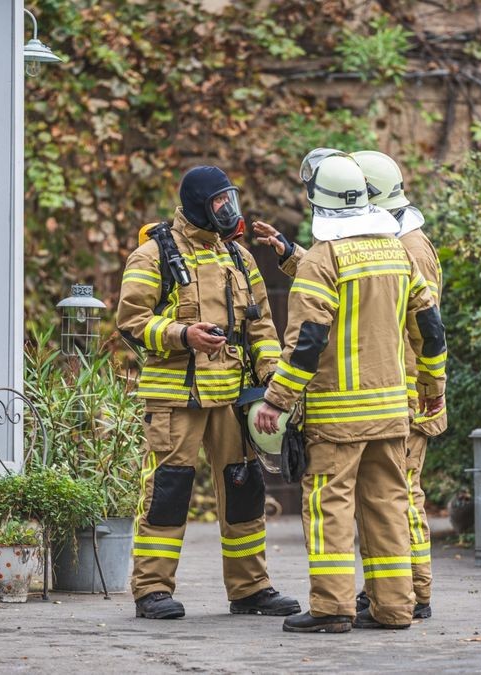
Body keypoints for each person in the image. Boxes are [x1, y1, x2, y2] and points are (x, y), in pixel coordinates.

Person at [252, 152, 447, 633]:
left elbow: (307, 344)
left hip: (338, 418)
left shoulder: (324, 259)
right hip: (392, 414)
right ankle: (396, 608)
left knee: (329, 508)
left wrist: (276, 402)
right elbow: (431, 328)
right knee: (387, 508)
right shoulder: (396, 250)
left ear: (318, 202)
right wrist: (433, 387)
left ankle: (332, 608)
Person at [118, 165, 300, 620]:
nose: (228, 210)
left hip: (232, 397)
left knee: (244, 493)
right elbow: (131, 322)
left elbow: (262, 328)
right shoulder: (152, 254)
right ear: (199, 203)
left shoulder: (239, 257)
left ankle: (250, 589)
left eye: (230, 200)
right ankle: (152, 590)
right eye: (220, 202)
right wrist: (183, 335)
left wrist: (273, 382)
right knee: (168, 492)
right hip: (176, 398)